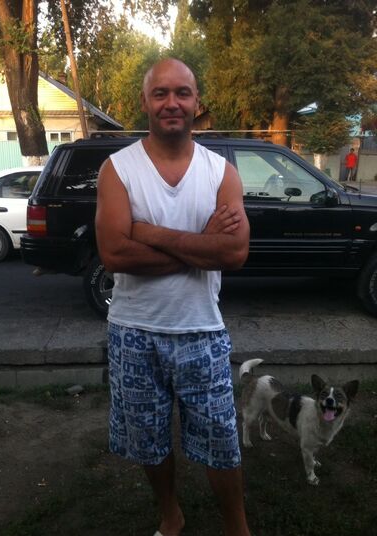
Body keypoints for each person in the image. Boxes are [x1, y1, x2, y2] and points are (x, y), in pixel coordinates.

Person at [95, 58, 251, 536]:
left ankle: (237, 527)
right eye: (160, 93)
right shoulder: (118, 169)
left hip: (201, 329)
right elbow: (115, 254)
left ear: (196, 102)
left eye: (182, 92)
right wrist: (202, 244)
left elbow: (234, 252)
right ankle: (170, 513)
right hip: (134, 333)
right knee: (148, 440)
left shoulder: (221, 172)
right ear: (145, 101)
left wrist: (147, 233)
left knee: (221, 438)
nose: (171, 103)